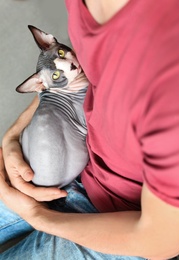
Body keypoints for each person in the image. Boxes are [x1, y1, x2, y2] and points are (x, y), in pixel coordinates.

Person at [0, 0, 179, 259]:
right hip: (77, 157)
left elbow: (161, 241)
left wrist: (38, 216)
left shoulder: (167, 75)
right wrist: (15, 134)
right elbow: (85, 75)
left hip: (122, 218)